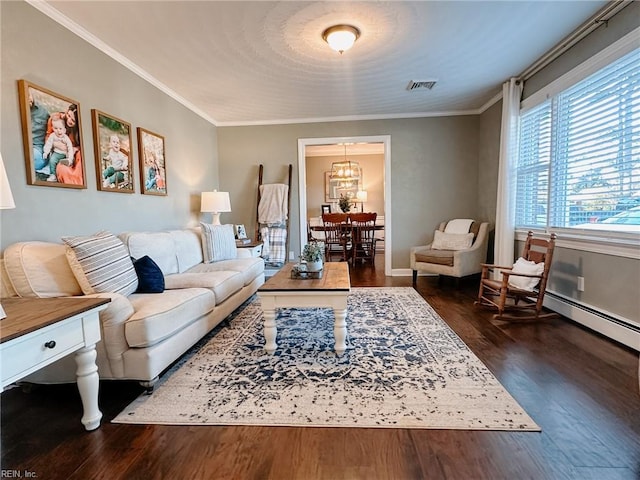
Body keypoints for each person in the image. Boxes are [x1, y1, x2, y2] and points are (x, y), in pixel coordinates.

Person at [52, 104, 84, 185]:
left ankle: (77, 181)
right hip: (59, 151)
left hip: (72, 154)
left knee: (81, 155)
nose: (69, 120)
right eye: (68, 115)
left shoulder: (78, 132)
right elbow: (48, 137)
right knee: (60, 165)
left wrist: (76, 149)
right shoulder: (57, 119)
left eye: (73, 120)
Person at [42, 117, 74, 182]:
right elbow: (48, 144)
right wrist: (46, 152)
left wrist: (70, 158)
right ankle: (53, 175)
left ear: (64, 130)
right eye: (56, 128)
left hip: (65, 153)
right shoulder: (52, 136)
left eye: (60, 128)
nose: (58, 131)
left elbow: (70, 148)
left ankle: (68, 162)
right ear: (53, 128)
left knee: (68, 159)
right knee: (52, 160)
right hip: (57, 153)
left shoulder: (66, 138)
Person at [28, 89, 50, 175]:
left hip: (37, 149)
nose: (29, 99)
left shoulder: (43, 112)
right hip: (19, 147)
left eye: (29, 95)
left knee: (31, 159)